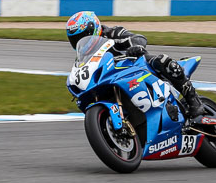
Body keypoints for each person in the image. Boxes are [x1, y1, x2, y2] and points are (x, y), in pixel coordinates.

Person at [66, 11, 205, 116]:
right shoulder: (85, 55)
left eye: (82, 36)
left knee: (162, 60)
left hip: (137, 66)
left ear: (93, 28)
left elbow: (139, 38)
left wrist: (133, 46)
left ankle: (194, 100)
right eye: (75, 39)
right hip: (113, 79)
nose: (80, 40)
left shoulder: (113, 33)